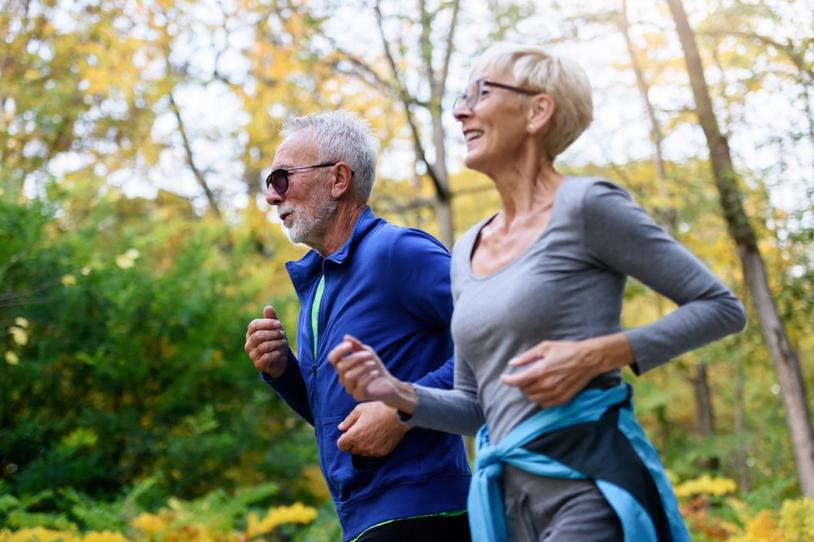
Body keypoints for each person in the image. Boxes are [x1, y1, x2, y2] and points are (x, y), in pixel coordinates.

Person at [329, 43, 747, 542]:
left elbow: (722, 308)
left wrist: (598, 354)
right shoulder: (466, 250)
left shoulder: (587, 206)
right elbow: (474, 404)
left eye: (480, 92)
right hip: (508, 507)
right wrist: (398, 394)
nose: (461, 109)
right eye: (462, 96)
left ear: (538, 110)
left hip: (591, 483)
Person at [243, 110, 471, 542]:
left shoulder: (398, 252)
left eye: (281, 178)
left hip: (426, 515)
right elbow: (335, 419)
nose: (273, 197)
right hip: (363, 520)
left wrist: (405, 409)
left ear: (339, 178)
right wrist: (283, 371)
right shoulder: (318, 284)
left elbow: (500, 339)